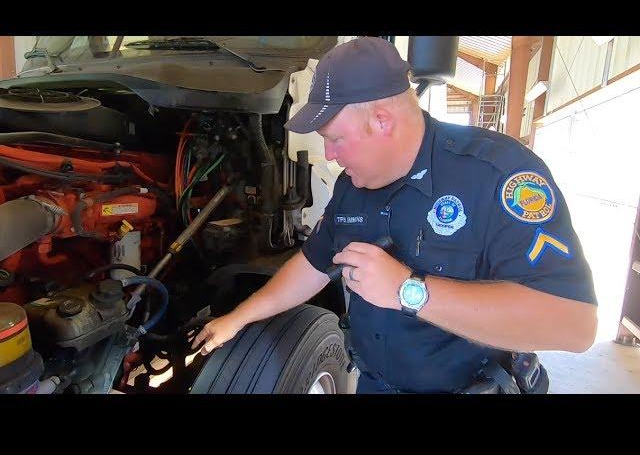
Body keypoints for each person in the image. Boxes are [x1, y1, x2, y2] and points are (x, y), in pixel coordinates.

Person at [192, 37, 598, 394]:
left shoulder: (496, 174)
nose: (330, 155)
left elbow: (574, 324)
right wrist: (237, 318)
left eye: (335, 139)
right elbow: (314, 264)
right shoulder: (352, 187)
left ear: (382, 120)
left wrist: (409, 291)